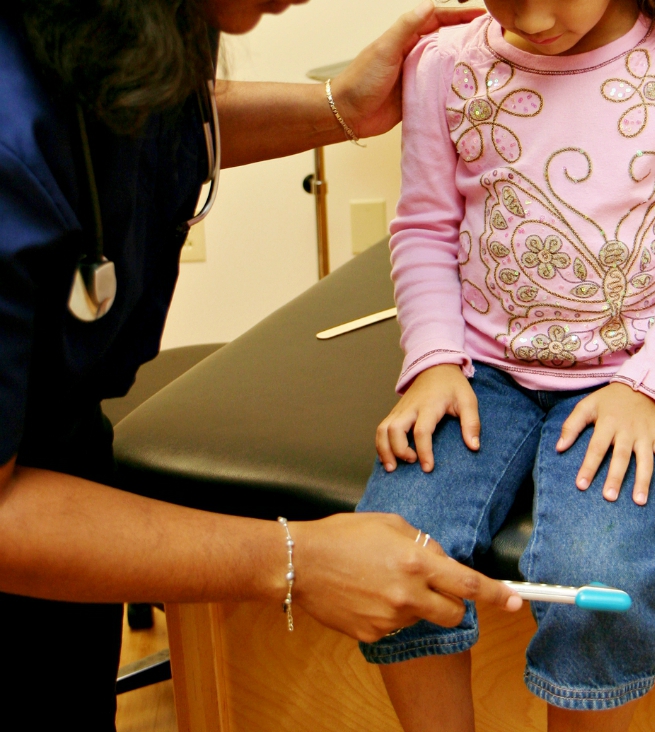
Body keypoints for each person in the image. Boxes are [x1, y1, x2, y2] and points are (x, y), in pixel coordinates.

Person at [0, 1, 523, 728]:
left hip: (60, 468)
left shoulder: (99, 30)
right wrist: (292, 558)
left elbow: (151, 116)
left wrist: (339, 108)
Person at [357, 0, 655, 729]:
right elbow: (423, 225)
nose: (534, 20)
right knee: (395, 542)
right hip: (478, 368)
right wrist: (433, 360)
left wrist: (653, 389)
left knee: (601, 574)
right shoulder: (444, 64)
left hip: (630, 380)